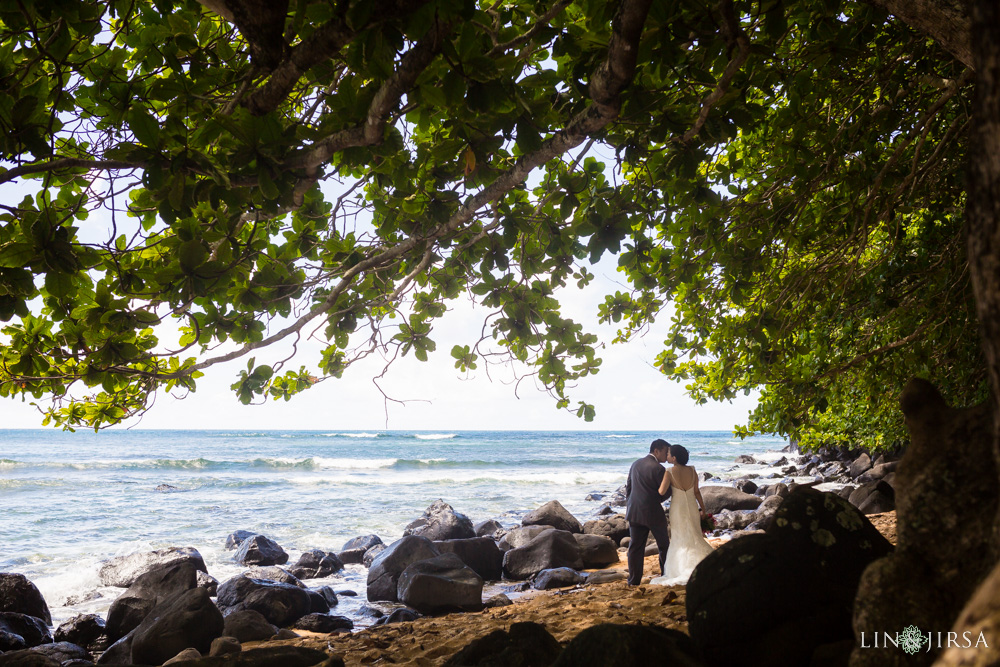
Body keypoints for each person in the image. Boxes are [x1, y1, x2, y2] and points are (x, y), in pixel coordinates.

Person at [650, 443, 715, 586]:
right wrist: (703, 510)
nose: (666, 456)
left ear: (674, 458)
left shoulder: (669, 472)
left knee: (679, 537)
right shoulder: (692, 470)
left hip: (678, 508)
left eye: (668, 454)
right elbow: (697, 492)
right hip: (692, 506)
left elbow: (661, 492)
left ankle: (682, 568)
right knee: (695, 534)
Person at [625, 439, 672, 585]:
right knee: (663, 545)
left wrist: (631, 504)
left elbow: (629, 487)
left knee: (635, 547)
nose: (666, 455)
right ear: (656, 451)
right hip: (652, 511)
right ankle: (665, 574)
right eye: (665, 452)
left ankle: (634, 580)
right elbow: (666, 492)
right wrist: (657, 499)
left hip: (634, 510)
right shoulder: (659, 469)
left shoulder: (635, 463)